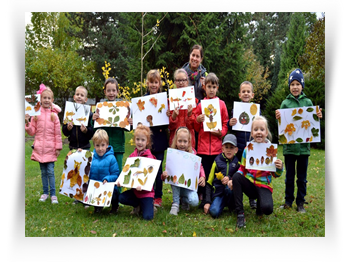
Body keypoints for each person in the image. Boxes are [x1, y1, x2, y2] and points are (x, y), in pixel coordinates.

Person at [275, 68, 322, 213]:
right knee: (289, 177)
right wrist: (278, 116)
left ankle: (300, 202)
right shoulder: (285, 103)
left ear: (302, 86)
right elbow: (282, 125)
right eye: (292, 84)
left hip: (303, 148)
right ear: (289, 86)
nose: (295, 87)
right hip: (289, 148)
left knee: (302, 178)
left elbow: (313, 120)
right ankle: (288, 201)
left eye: (297, 84)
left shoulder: (308, 101)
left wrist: (318, 115)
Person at [229, 116, 283, 228]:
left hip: (264, 185)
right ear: (252, 133)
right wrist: (233, 180)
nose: (259, 132)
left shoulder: (271, 150)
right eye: (256, 129)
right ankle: (240, 213)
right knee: (236, 177)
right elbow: (242, 169)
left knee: (267, 209)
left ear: (266, 132)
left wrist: (279, 167)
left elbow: (275, 175)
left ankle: (260, 204)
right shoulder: (247, 149)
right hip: (250, 184)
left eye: (262, 130)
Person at [194, 72, 229, 207]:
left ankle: (216, 196)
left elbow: (225, 123)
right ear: (204, 87)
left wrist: (221, 133)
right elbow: (196, 127)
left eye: (214, 87)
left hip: (216, 148)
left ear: (217, 88)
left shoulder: (221, 104)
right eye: (209, 86)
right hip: (202, 147)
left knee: (215, 174)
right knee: (205, 172)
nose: (211, 89)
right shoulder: (200, 104)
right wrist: (198, 120)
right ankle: (204, 197)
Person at [25, 87, 62, 204]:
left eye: (48, 98)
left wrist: (58, 148)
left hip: (50, 149)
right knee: (43, 172)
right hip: (40, 148)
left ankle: (53, 194)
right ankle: (45, 193)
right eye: (44, 98)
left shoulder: (54, 116)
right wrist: (27, 122)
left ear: (52, 100)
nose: (46, 100)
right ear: (40, 99)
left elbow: (57, 134)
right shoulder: (36, 115)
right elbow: (32, 132)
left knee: (50, 172)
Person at [161, 126, 206, 215]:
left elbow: (199, 166)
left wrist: (203, 176)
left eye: (185, 141)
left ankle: (184, 200)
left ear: (189, 142)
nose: (182, 144)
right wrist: (164, 175)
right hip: (176, 186)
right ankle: (176, 203)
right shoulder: (173, 154)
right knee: (175, 180)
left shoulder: (192, 154)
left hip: (188, 187)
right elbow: (167, 172)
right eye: (180, 141)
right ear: (176, 141)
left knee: (194, 201)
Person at [227, 81, 258, 209]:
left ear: (252, 95)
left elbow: (260, 126)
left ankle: (252, 198)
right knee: (237, 172)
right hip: (238, 147)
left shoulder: (256, 110)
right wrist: (231, 122)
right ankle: (236, 199)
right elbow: (231, 127)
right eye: (243, 92)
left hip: (251, 147)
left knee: (251, 172)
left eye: (248, 92)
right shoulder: (236, 110)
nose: (246, 94)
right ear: (239, 95)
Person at [92, 78, 133, 173]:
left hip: (118, 147)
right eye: (109, 90)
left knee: (117, 172)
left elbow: (128, 128)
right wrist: (93, 119)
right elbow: (94, 127)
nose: (111, 93)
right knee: (105, 171)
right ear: (105, 92)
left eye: (113, 90)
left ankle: (117, 188)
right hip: (103, 147)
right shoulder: (100, 107)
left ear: (117, 92)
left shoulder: (123, 107)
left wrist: (131, 123)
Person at [117, 124, 156, 220]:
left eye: (143, 140)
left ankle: (149, 205)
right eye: (137, 139)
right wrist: (121, 181)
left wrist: (143, 186)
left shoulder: (150, 158)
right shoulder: (132, 157)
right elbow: (127, 172)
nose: (140, 142)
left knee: (147, 217)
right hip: (135, 191)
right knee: (121, 198)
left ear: (147, 142)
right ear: (134, 140)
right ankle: (137, 205)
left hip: (146, 193)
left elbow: (151, 178)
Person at [143, 69, 169, 208]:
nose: (153, 85)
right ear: (147, 83)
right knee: (148, 167)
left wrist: (167, 114)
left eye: (156, 82)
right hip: (147, 140)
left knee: (158, 170)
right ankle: (148, 193)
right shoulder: (143, 100)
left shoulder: (163, 100)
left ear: (159, 83)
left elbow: (166, 123)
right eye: (151, 82)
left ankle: (158, 196)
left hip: (159, 139)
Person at [203, 134, 239, 218]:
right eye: (226, 147)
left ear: (236, 150)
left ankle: (232, 206)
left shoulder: (237, 163)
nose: (229, 150)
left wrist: (230, 179)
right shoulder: (217, 161)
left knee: (230, 188)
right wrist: (207, 202)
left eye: (231, 147)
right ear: (222, 149)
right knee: (214, 212)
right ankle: (220, 203)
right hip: (218, 193)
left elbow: (240, 178)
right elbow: (209, 183)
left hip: (231, 192)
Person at [88, 129, 120, 214]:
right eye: (97, 145)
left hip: (108, 186)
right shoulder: (91, 158)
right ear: (94, 146)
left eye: (103, 145)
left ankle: (115, 206)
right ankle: (98, 206)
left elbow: (116, 174)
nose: (100, 148)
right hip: (96, 187)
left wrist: (107, 179)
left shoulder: (111, 158)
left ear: (107, 145)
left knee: (114, 194)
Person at [168, 68, 198, 149]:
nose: (181, 83)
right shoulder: (171, 101)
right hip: (175, 140)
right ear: (174, 82)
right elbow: (170, 126)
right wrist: (173, 116)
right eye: (178, 80)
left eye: (183, 80)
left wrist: (189, 115)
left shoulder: (193, 101)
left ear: (187, 82)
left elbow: (194, 126)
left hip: (188, 141)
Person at [62, 86, 94, 150]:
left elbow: (92, 133)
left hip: (85, 147)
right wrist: (68, 128)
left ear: (86, 99)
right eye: (77, 94)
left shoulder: (89, 114)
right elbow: (64, 131)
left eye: (82, 95)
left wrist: (86, 131)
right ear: (74, 97)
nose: (79, 96)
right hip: (72, 147)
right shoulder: (69, 112)